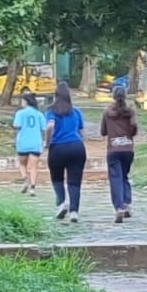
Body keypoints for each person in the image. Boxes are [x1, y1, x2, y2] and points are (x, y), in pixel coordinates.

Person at [44, 81, 87, 223]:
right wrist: (81, 142)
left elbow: (50, 125)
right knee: (74, 182)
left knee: (57, 178)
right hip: (76, 146)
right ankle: (74, 212)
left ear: (55, 95)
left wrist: (47, 142)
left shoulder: (51, 111)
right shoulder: (76, 111)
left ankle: (62, 203)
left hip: (58, 147)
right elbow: (81, 131)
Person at [101, 85, 138, 224]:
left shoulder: (107, 112)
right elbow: (134, 128)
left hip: (113, 149)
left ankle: (119, 207)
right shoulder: (131, 111)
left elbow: (103, 132)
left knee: (115, 178)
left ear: (113, 96)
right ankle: (127, 202)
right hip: (128, 149)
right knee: (124, 176)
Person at [12, 93, 45, 195]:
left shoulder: (20, 113)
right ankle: (33, 188)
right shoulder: (39, 114)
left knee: (22, 164)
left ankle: (25, 180)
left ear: (25, 102)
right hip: (36, 142)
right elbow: (44, 128)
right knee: (34, 166)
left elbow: (16, 125)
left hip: (23, 142)